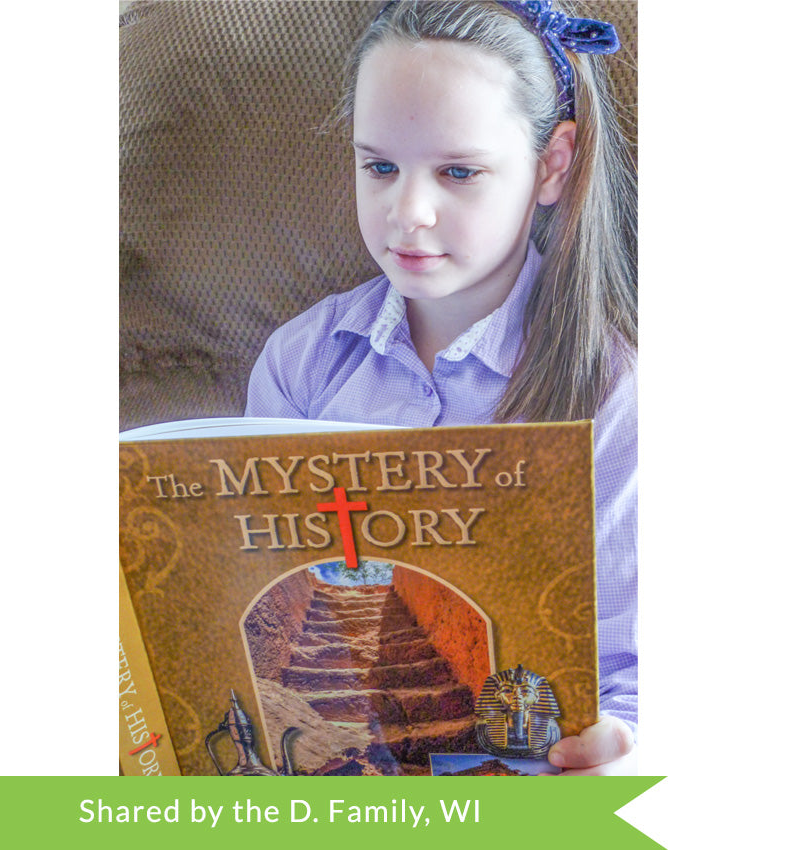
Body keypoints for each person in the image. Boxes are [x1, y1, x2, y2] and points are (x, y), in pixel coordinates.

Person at [245, 0, 637, 775]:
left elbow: (639, 662)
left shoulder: (612, 391)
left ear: (552, 166)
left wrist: (624, 740)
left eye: (458, 172)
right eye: (380, 166)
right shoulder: (301, 364)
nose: (408, 214)